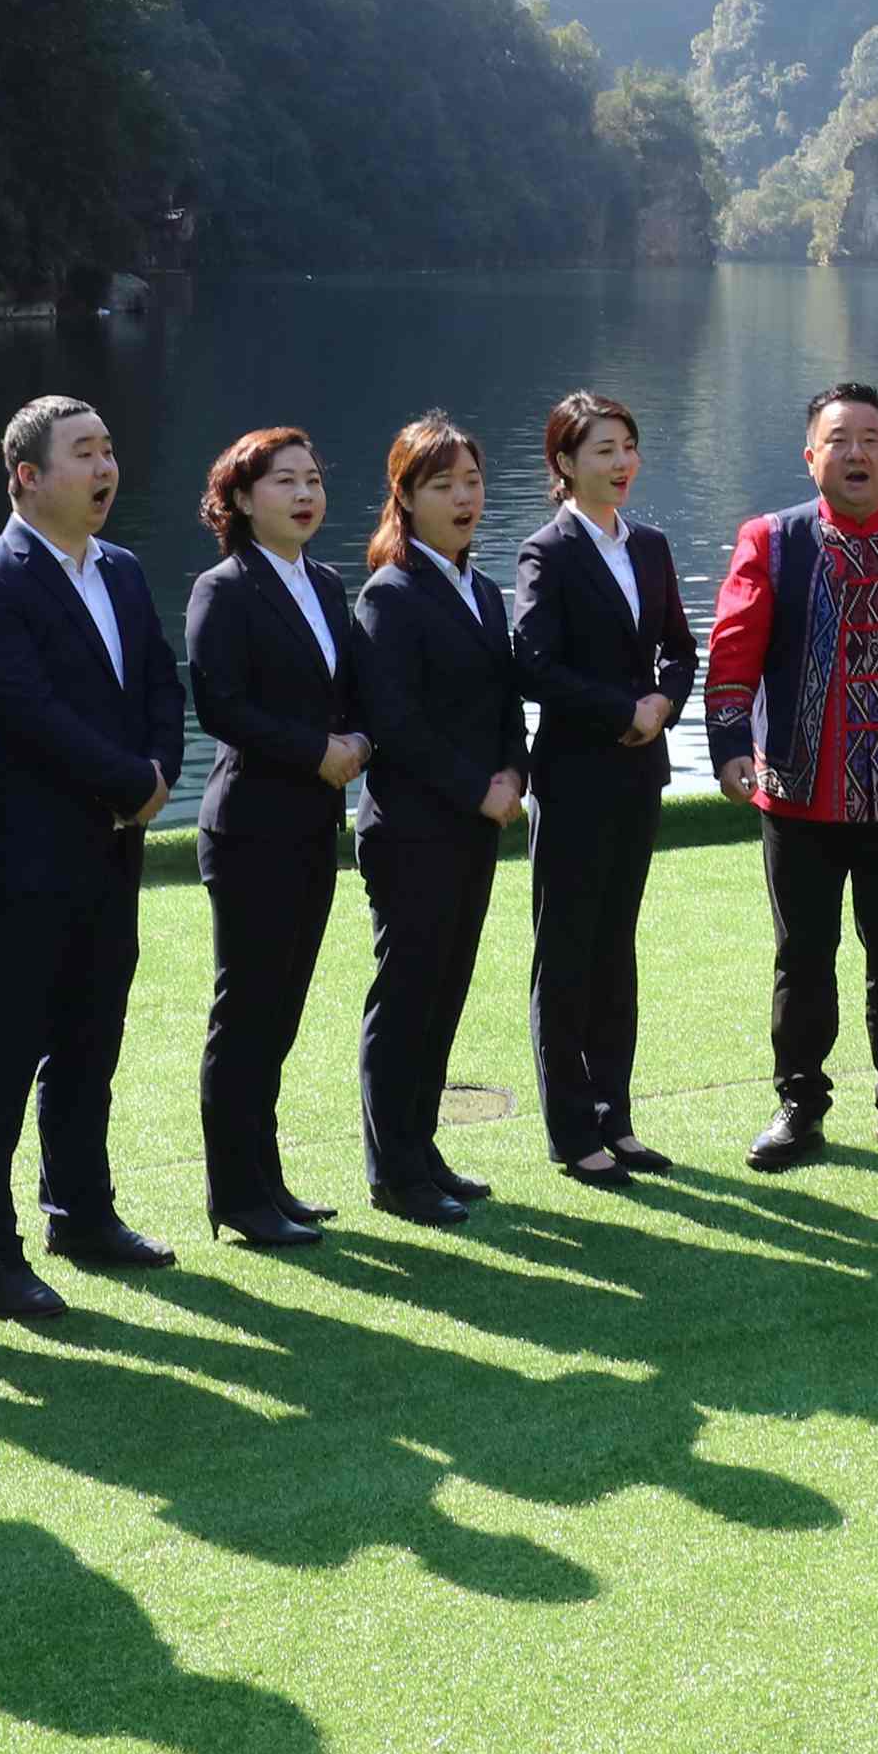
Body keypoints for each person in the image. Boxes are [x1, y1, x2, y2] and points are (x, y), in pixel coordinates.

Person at [0, 390, 190, 1320]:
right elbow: (22, 715)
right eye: (85, 452)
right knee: (4, 1050)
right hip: (23, 855)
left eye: (111, 449)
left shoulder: (119, 568)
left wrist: (161, 764)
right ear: (27, 477)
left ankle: (80, 1213)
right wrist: (131, 781)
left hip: (111, 851)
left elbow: (161, 678)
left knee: (91, 1040)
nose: (106, 467)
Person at [700, 378, 878, 1172]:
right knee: (803, 953)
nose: (855, 453)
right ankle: (799, 1103)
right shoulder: (773, 539)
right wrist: (728, 739)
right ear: (810, 458)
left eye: (871, 438)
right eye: (838, 439)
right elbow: (733, 652)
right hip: (798, 792)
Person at [178, 421, 367, 1250]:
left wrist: (361, 741)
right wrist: (319, 751)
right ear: (241, 500)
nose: (303, 494)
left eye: (313, 479)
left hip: (312, 828)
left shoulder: (326, 583)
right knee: (246, 1011)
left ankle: (268, 1180)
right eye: (284, 480)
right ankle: (236, 1195)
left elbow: (355, 687)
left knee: (280, 1015)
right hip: (250, 825)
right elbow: (223, 707)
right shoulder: (223, 588)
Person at [348, 411, 534, 1228]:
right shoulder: (390, 593)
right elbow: (396, 722)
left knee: (446, 990)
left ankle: (422, 1151)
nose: (464, 498)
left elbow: (504, 703)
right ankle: (392, 1171)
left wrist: (515, 771)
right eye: (442, 484)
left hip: (472, 828)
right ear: (405, 497)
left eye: (472, 481)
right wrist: (476, 788)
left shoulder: (483, 590)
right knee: (407, 995)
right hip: (413, 831)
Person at [509, 391, 697, 1181]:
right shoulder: (544, 552)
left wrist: (662, 704)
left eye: (627, 446)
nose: (620, 463)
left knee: (616, 948)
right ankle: (568, 1128)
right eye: (601, 450)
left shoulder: (650, 545)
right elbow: (533, 664)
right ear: (564, 464)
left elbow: (683, 650)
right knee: (567, 951)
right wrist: (622, 707)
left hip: (639, 773)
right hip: (575, 775)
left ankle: (614, 1117)